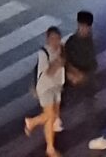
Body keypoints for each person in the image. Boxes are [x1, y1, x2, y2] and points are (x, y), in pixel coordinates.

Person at [24, 25, 67, 157]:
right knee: (51, 115)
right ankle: (33, 122)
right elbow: (48, 72)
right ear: (47, 39)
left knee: (52, 117)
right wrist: (58, 62)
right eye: (52, 38)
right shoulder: (43, 53)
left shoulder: (62, 49)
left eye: (57, 38)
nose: (55, 41)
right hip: (46, 87)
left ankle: (50, 148)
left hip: (57, 86)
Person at [61, 11, 98, 133]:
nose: (83, 29)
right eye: (81, 26)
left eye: (86, 27)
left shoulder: (90, 42)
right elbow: (65, 59)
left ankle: (91, 126)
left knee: (89, 96)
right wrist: (72, 72)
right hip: (72, 74)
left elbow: (92, 63)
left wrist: (85, 75)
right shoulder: (72, 42)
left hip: (84, 74)